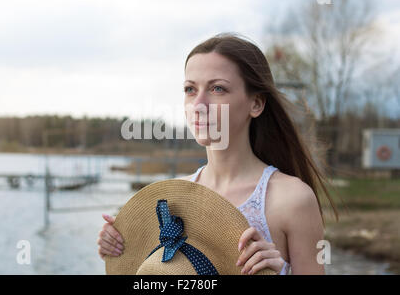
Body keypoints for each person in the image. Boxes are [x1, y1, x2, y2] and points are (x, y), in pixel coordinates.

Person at [97, 32, 339, 275]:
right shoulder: (173, 199)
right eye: (190, 89)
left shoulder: (292, 200)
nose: (199, 105)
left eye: (217, 88)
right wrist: (121, 245)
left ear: (256, 104)